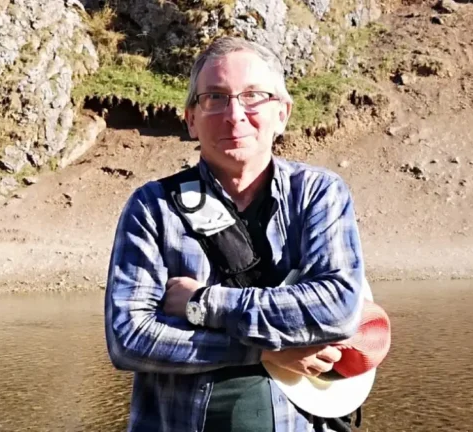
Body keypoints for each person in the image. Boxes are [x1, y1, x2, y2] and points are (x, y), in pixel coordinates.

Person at [104, 36, 369, 432]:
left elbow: (339, 306)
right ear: (190, 118)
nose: (235, 114)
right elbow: (130, 339)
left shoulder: (318, 194)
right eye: (215, 97)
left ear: (283, 112)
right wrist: (262, 352)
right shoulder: (152, 207)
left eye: (254, 96)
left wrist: (203, 303)